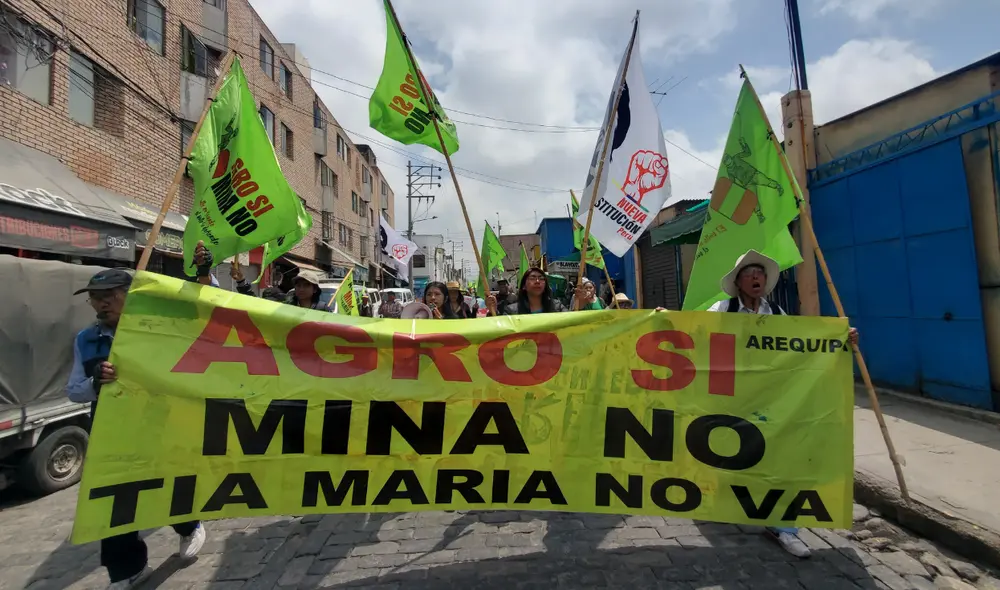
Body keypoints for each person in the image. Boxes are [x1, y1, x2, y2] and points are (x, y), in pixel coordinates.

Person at [693, 250, 859, 558]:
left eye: (760, 272)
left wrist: (839, 340)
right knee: (729, 456)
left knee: (781, 460)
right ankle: (724, 500)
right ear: (738, 282)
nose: (755, 277)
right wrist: (662, 322)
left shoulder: (778, 313)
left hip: (772, 402)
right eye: (748, 273)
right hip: (731, 399)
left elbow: (804, 346)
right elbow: (694, 334)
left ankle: (784, 526)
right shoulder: (722, 309)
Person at [67, 269, 205, 589]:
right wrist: (95, 383)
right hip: (112, 433)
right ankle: (128, 568)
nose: (101, 304)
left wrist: (203, 274)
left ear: (132, 295)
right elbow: (73, 390)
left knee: (167, 484)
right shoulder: (85, 340)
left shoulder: (159, 330)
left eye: (109, 296)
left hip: (160, 425)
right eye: (95, 298)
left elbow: (199, 316)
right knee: (114, 501)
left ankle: (189, 526)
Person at [490, 267, 567, 315]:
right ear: (524, 286)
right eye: (532, 278)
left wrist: (579, 304)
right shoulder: (511, 311)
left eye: (541, 278)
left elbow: (574, 324)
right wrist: (492, 311)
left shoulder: (557, 307)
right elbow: (500, 333)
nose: (537, 281)